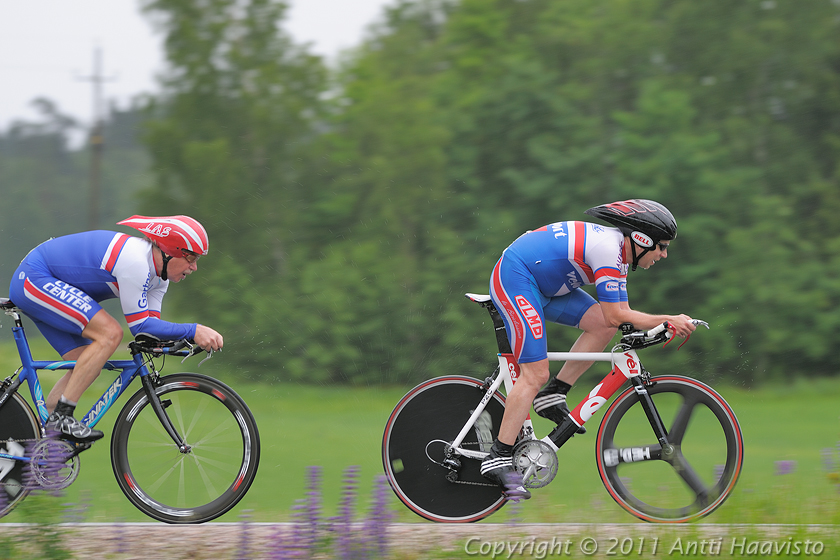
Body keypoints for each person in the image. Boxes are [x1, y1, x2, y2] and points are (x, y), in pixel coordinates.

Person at [480, 199, 696, 496]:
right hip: (518, 278)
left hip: (543, 285)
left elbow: (618, 316)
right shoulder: (608, 251)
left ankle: (554, 394)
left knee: (603, 326)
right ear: (641, 240)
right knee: (534, 374)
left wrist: (655, 328)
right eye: (661, 246)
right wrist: (666, 319)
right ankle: (498, 457)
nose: (664, 254)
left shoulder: (618, 256)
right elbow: (617, 315)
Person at [8, 215, 224, 443]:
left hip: (48, 282)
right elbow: (140, 325)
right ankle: (61, 418)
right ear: (169, 251)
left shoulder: (160, 279)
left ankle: (46, 441)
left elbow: (149, 332)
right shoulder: (137, 263)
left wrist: (180, 342)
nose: (194, 267)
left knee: (87, 362)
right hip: (34, 277)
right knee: (110, 333)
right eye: (190, 257)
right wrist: (194, 330)